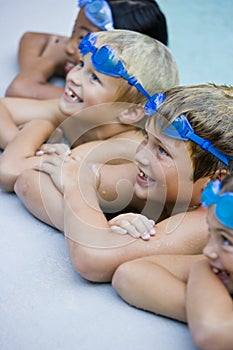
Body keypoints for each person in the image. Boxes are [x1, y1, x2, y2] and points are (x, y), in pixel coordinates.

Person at [14, 83, 233, 284]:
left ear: (216, 180)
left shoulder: (206, 220)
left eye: (162, 151)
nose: (141, 156)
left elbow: (92, 259)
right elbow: (30, 179)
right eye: (146, 139)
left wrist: (76, 191)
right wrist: (102, 229)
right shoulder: (148, 179)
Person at [0, 29, 179, 192]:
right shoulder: (81, 110)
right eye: (80, 65)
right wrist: (28, 144)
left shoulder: (126, 145)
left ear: (130, 112)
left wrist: (37, 126)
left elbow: (10, 171)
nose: (74, 78)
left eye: (94, 78)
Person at [112, 174, 233, 350]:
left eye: (226, 241)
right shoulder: (216, 263)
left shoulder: (206, 264)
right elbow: (128, 275)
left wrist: (200, 269)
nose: (208, 251)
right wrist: (204, 307)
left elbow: (212, 332)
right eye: (210, 232)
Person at [5, 0, 168, 100]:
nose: (68, 47)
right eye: (73, 32)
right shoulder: (78, 53)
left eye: (83, 39)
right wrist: (35, 78)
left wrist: (46, 62)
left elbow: (19, 89)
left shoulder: (103, 102)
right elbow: (31, 38)